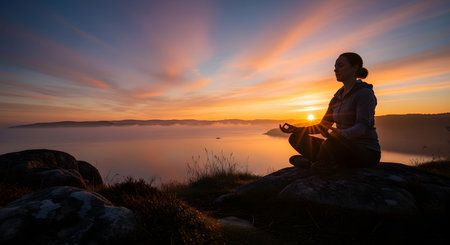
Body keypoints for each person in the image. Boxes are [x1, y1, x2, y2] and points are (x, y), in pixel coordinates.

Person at [280, 52, 381, 172]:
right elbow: (323, 127)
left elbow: (363, 126)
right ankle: (324, 163)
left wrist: (342, 134)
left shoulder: (364, 93)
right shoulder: (336, 98)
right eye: (335, 66)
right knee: (296, 138)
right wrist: (297, 130)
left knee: (332, 143)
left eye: (340, 65)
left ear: (355, 67)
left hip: (365, 151)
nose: (335, 69)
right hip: (339, 146)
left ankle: (315, 164)